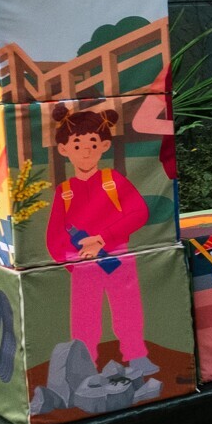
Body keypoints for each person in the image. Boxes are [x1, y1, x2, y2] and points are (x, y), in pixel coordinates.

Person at [45, 104, 151, 370]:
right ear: (64, 149)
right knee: (84, 318)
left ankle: (137, 357)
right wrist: (72, 261)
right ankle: (84, 365)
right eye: (77, 144)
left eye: (93, 143)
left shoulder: (112, 180)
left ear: (104, 145)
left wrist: (103, 239)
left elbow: (139, 213)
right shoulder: (65, 191)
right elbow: (54, 234)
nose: (85, 151)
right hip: (82, 264)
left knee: (127, 310)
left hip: (118, 258)